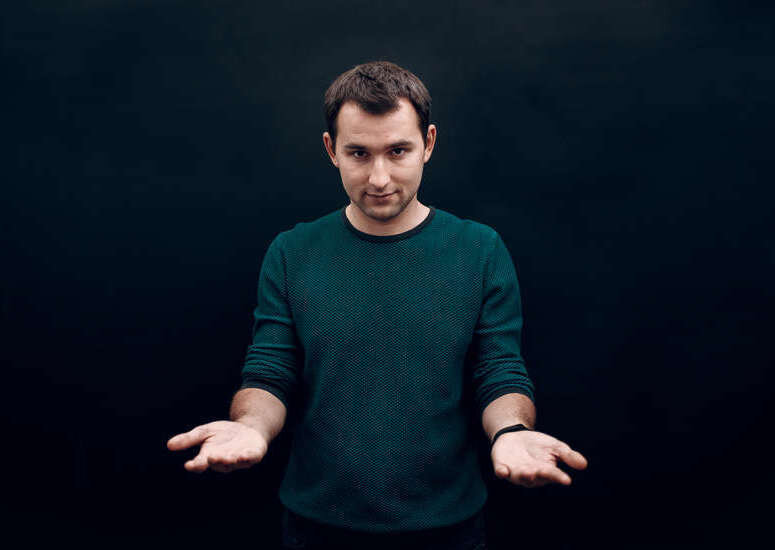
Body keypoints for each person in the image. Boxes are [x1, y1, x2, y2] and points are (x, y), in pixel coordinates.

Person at [167, 60, 588, 550]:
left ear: (428, 143)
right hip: (317, 526)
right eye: (359, 154)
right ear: (332, 150)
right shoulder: (291, 252)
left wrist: (511, 431)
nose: (379, 177)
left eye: (398, 151)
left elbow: (498, 370)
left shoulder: (480, 250)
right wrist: (250, 428)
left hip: (448, 527)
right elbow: (271, 371)